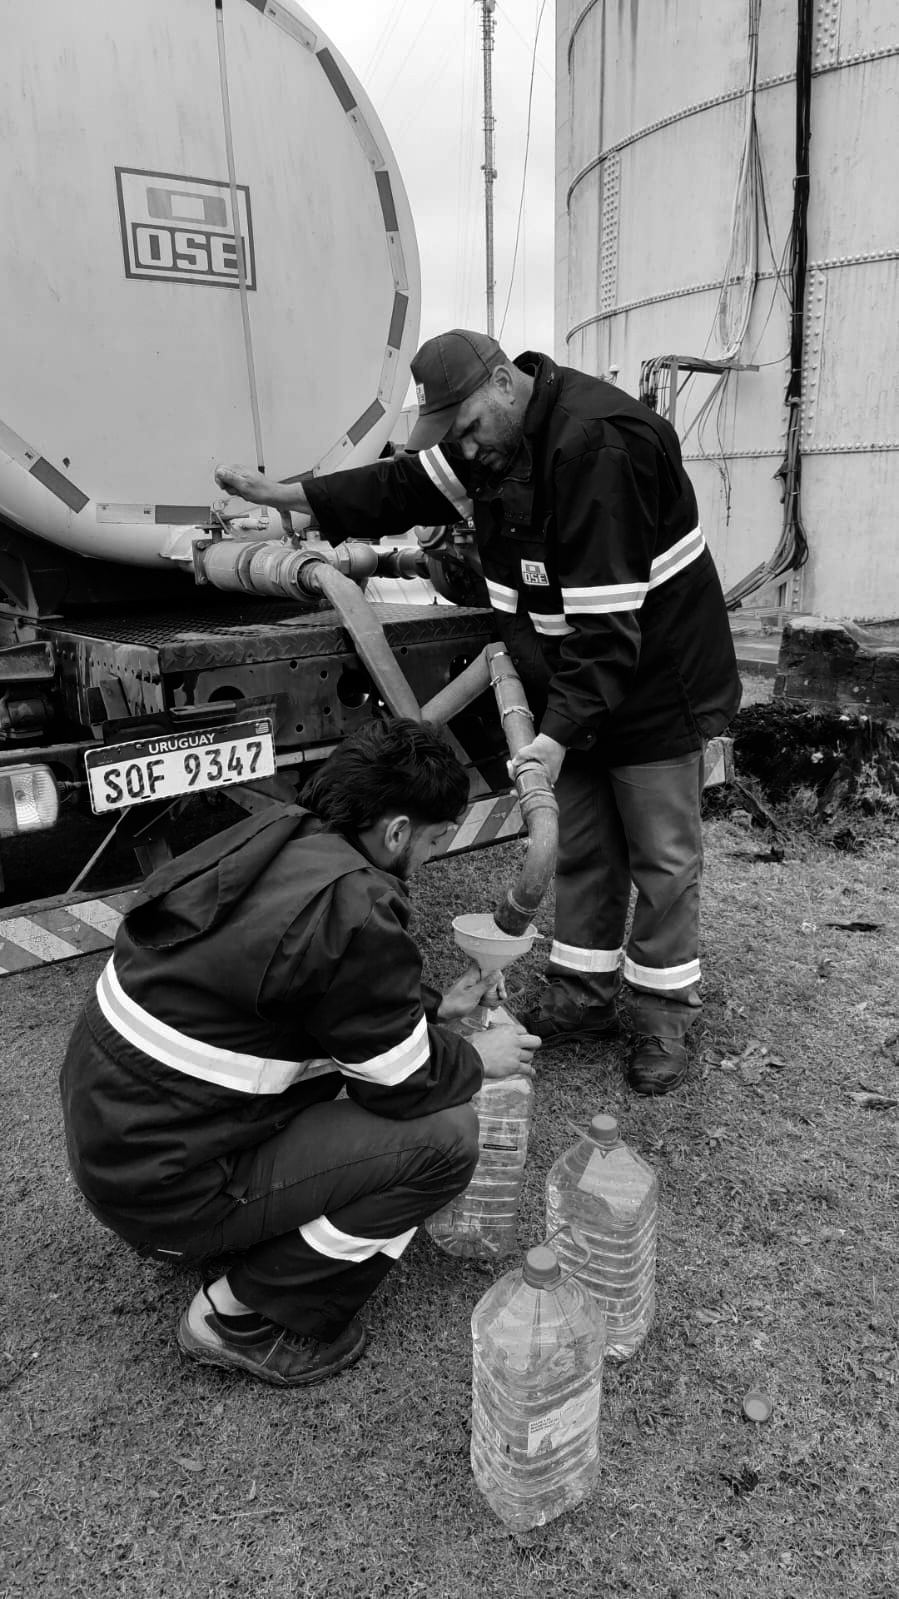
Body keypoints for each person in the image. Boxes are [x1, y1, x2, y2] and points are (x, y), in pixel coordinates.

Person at [215, 330, 742, 1096]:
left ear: (504, 383)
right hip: (577, 682)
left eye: (465, 428)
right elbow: (395, 488)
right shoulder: (490, 440)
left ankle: (663, 1019)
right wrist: (284, 497)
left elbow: (607, 632)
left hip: (655, 678)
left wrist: (553, 735)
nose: (461, 448)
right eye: (450, 434)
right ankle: (582, 997)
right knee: (582, 847)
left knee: (661, 857)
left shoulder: (598, 449)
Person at [59, 719, 539, 1388]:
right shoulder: (357, 903)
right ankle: (236, 1314)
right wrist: (476, 1056)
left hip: (122, 1143)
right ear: (396, 831)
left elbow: (301, 988)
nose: (430, 857)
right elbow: (399, 1084)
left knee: (360, 1089)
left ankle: (244, 1231)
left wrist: (434, 1009)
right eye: (433, 839)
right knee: (447, 1136)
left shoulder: (281, 834)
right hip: (165, 1188)